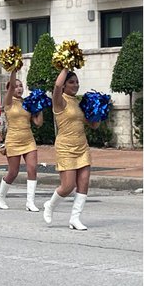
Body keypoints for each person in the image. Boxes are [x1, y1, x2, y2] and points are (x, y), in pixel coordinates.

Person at [44, 67, 97, 230]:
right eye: (71, 82)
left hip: (82, 146)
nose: (75, 85)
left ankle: (75, 218)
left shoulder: (79, 103)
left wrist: (99, 112)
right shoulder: (59, 101)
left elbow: (94, 125)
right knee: (67, 186)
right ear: (65, 85)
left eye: (77, 82)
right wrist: (66, 66)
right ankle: (50, 205)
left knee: (83, 182)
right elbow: (57, 87)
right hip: (65, 147)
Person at [0, 66, 44, 211]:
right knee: (13, 172)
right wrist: (14, 70)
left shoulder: (28, 103)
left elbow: (38, 123)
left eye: (21, 86)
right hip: (13, 140)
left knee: (32, 168)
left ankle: (30, 202)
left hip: (28, 140)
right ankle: (1, 196)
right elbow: (9, 89)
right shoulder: (8, 102)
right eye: (15, 86)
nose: (19, 88)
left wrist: (40, 107)